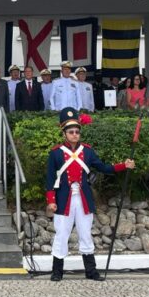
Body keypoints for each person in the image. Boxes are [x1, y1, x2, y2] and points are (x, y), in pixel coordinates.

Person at [46, 108, 134, 282]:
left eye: (77, 132)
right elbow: (49, 179)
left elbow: (104, 167)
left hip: (83, 199)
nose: (74, 135)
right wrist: (51, 200)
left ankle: (91, 271)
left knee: (85, 233)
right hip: (63, 199)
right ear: (64, 133)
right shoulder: (55, 153)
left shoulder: (87, 151)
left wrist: (124, 165)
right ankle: (57, 271)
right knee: (61, 234)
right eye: (71, 132)